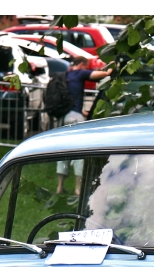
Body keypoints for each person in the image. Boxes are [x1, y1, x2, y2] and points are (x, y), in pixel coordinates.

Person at [56, 57, 113, 195]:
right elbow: (103, 75)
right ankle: (78, 188)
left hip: (64, 117)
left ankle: (59, 187)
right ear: (82, 65)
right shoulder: (80, 73)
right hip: (76, 118)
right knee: (78, 153)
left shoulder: (66, 75)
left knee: (63, 152)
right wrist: (111, 67)